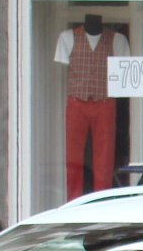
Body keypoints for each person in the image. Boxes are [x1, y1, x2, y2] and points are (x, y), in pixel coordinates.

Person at [55, 14, 130, 200]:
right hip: (76, 102)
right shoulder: (68, 37)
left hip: (105, 101)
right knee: (73, 158)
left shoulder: (116, 39)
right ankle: (72, 202)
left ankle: (101, 201)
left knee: (104, 159)